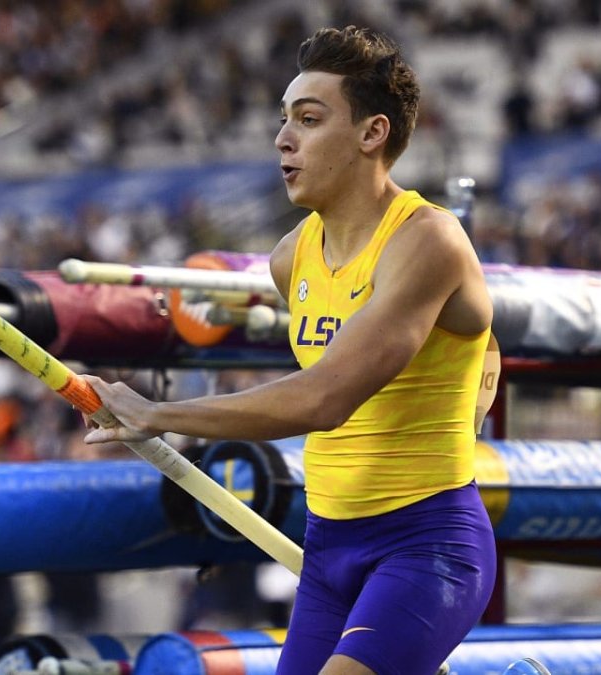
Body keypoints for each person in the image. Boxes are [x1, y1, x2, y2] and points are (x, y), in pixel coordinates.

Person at [81, 26, 497, 675]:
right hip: (328, 549)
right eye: (284, 119)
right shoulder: (290, 257)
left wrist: (158, 414)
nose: (282, 138)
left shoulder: (427, 240)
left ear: (372, 133)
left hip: (426, 546)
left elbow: (326, 398)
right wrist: (470, 397)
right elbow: (481, 341)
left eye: (308, 118)